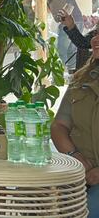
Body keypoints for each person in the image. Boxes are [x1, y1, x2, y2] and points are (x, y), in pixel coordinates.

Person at [51, 34, 99, 217]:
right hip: (79, 173)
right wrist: (75, 157)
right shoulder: (81, 80)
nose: (95, 39)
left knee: (89, 210)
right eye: (96, 33)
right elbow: (59, 126)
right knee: (35, 200)